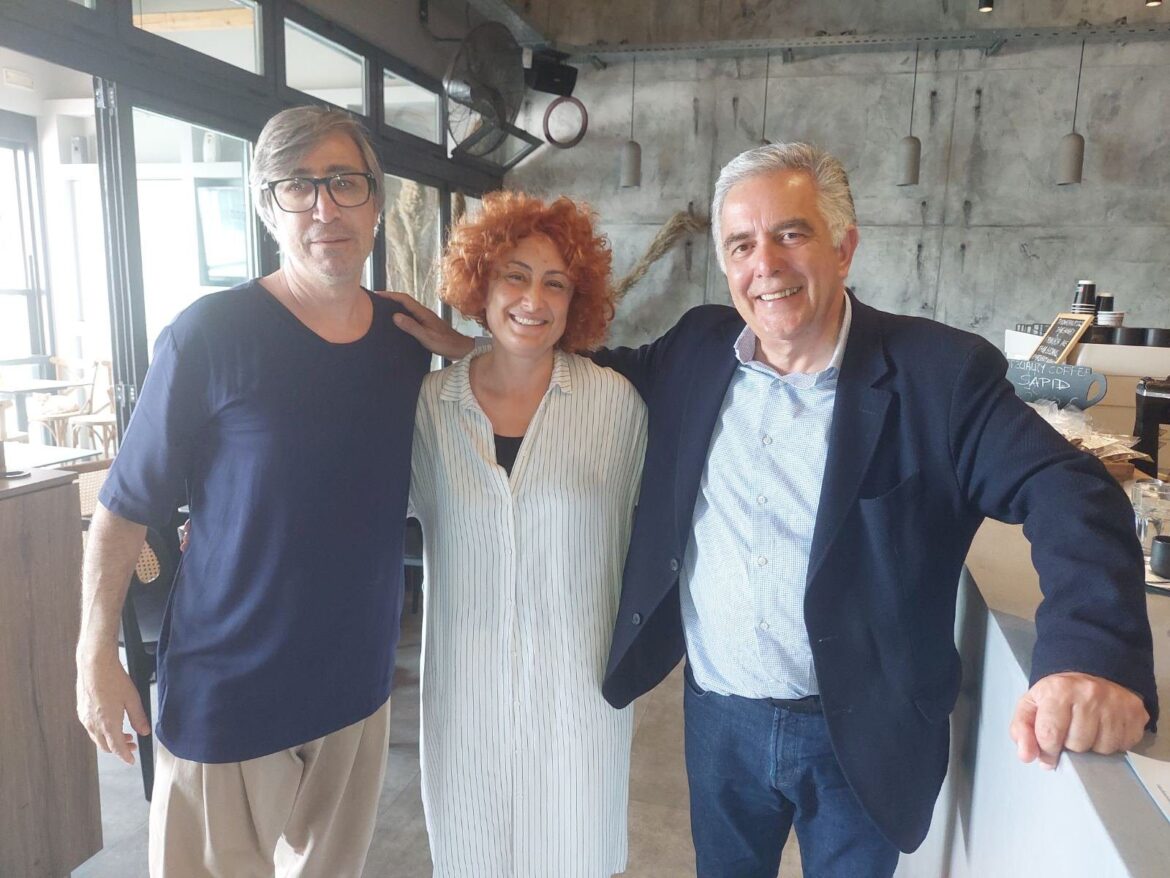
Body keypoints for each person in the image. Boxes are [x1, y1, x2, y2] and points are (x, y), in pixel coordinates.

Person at [392, 142, 1157, 878]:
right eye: (741, 244)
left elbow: (1067, 485)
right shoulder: (697, 347)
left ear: (844, 248)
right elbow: (580, 370)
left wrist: (1089, 654)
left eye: (791, 234)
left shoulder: (937, 374)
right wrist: (477, 349)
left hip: (862, 731)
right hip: (719, 719)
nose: (765, 265)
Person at [75, 106, 429, 877]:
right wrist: (95, 652)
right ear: (268, 207)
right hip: (230, 687)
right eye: (298, 187)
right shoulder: (211, 334)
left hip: (355, 685)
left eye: (345, 182)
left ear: (376, 200)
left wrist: (474, 344)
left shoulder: (404, 339)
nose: (325, 207)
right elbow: (124, 507)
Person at [408, 191, 647, 877]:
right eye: (514, 276)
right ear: (481, 285)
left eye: (555, 283)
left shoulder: (615, 405)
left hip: (576, 704)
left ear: (577, 300)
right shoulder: (431, 408)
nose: (533, 300)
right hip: (466, 702)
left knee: (573, 857)